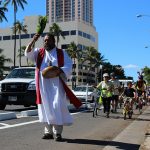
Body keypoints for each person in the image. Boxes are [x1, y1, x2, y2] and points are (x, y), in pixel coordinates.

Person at [25, 33, 78, 141]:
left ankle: (57, 133)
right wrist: (33, 40)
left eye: (48, 40)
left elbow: (68, 66)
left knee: (56, 107)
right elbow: (27, 53)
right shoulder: (38, 52)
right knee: (45, 108)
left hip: (57, 86)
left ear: (54, 41)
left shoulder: (61, 53)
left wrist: (58, 70)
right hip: (43, 86)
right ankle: (48, 132)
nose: (46, 42)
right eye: (44, 40)